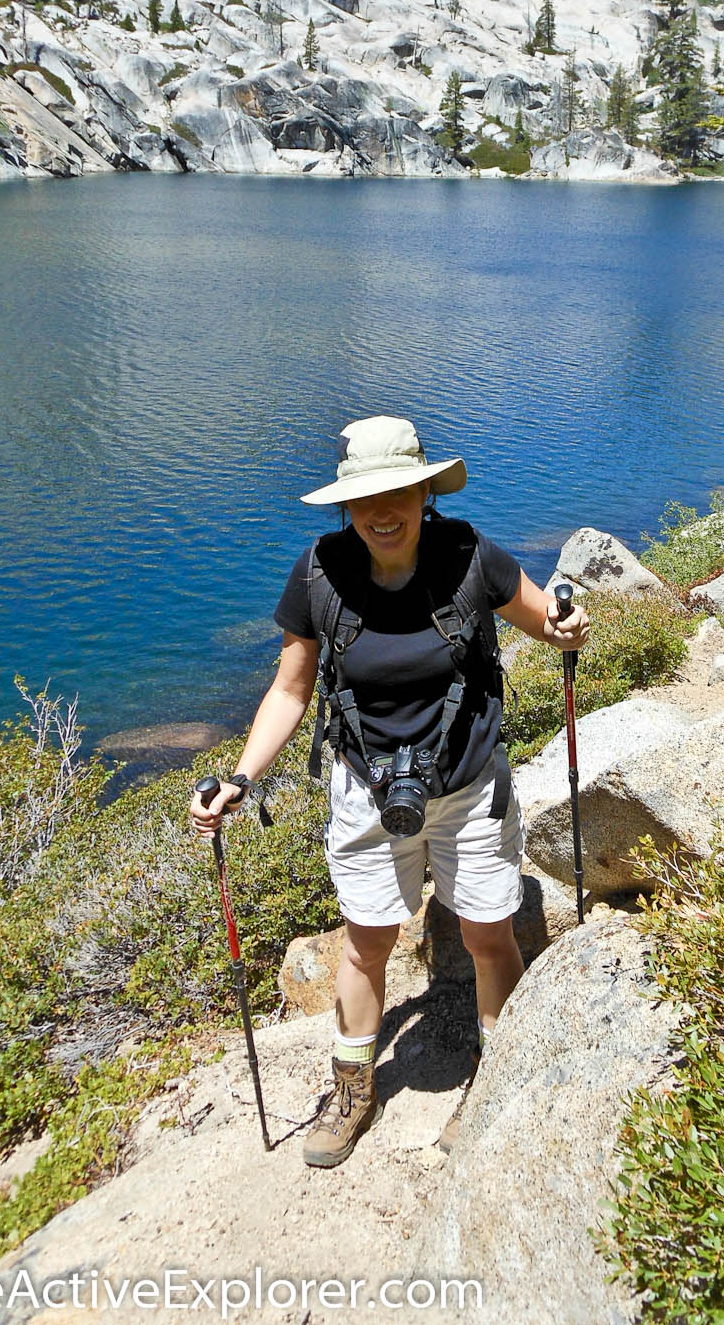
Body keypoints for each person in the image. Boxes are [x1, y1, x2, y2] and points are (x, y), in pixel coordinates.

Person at [190, 416, 589, 1168]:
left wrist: (568, 625)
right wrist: (243, 777)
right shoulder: (319, 572)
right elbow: (290, 688)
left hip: (468, 783)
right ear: (344, 504)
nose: (381, 511)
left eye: (398, 492)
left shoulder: (469, 555)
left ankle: (496, 1076)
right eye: (364, 497)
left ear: (422, 492)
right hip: (363, 787)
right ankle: (352, 1090)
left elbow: (547, 622)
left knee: (487, 933)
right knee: (367, 940)